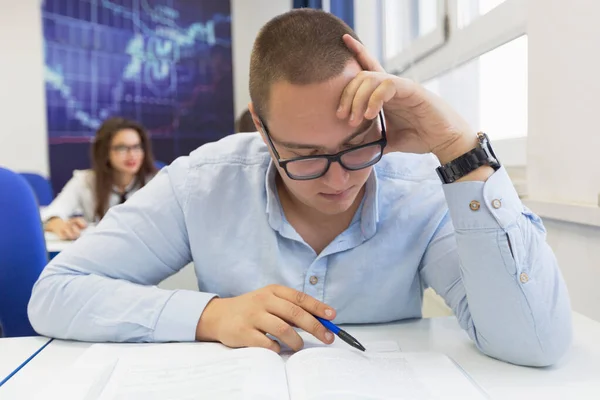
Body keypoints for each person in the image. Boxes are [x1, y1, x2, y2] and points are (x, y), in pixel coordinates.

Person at [29, 9, 571, 367]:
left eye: (359, 144)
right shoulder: (202, 183)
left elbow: (534, 343)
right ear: (262, 132)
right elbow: (56, 293)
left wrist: (458, 147)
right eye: (306, 157)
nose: (339, 180)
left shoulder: (418, 185)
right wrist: (210, 315)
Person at [41, 117, 157, 239]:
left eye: (137, 147)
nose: (132, 154)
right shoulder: (85, 181)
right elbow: (51, 213)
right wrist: (59, 224)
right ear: (105, 152)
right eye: (122, 148)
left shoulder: (156, 182)